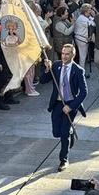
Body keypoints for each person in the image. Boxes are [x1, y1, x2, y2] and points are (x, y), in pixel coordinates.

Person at [41, 44, 87, 172]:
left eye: (67, 54)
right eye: (63, 53)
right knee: (56, 132)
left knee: (64, 133)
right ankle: (70, 133)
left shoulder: (78, 70)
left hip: (70, 104)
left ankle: (63, 160)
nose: (64, 56)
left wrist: (71, 107)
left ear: (73, 55)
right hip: (57, 103)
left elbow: (84, 92)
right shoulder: (56, 66)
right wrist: (47, 69)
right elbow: (43, 81)